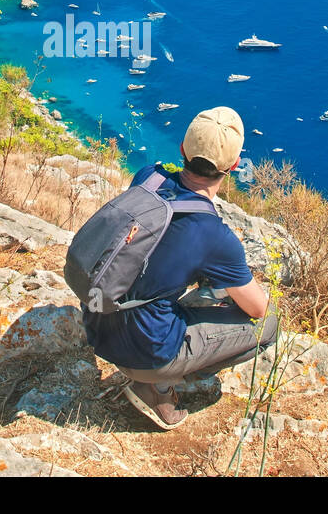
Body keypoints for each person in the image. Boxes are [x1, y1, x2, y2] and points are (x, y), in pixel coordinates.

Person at [82, 106, 279, 429]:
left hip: (99, 327)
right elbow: (258, 309)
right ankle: (157, 386)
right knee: (269, 326)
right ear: (233, 166)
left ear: (183, 149)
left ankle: (154, 371)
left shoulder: (148, 177)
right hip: (145, 353)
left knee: (212, 286)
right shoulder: (213, 234)